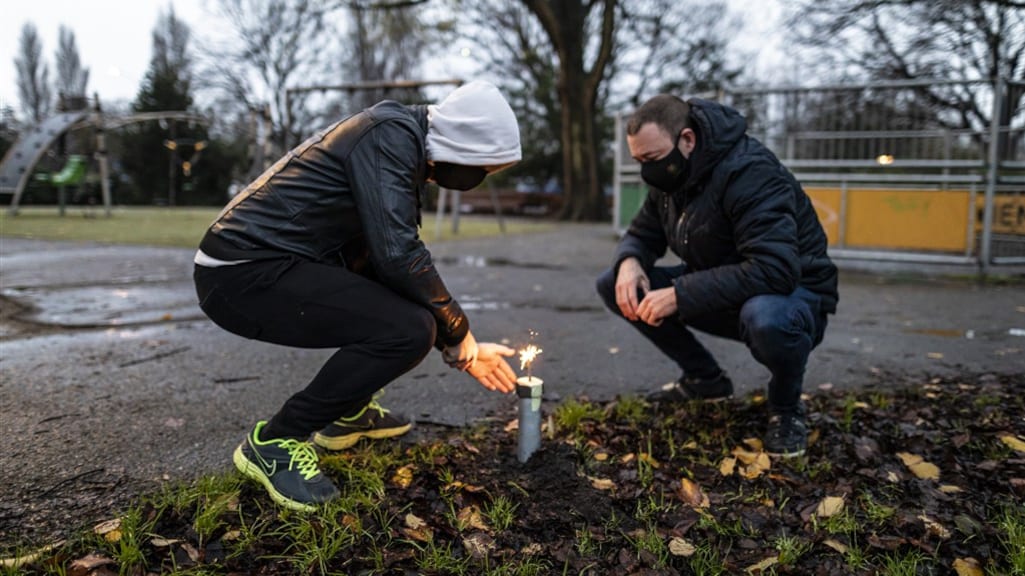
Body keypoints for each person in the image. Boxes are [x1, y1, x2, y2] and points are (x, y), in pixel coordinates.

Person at [193, 80, 521, 511]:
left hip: (272, 265)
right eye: (486, 167)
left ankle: (349, 411)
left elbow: (379, 262)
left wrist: (457, 343)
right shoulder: (389, 136)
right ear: (465, 143)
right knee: (407, 330)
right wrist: (457, 330)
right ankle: (275, 440)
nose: (482, 178)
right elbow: (397, 253)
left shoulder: (402, 144)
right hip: (242, 273)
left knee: (404, 321)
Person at [596, 94, 838, 457]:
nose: (647, 172)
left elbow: (776, 269)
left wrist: (679, 293)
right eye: (638, 161)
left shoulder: (751, 173)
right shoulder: (671, 179)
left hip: (794, 298)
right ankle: (705, 380)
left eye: (653, 159)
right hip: (725, 291)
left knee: (767, 319)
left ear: (687, 140)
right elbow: (643, 234)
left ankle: (786, 411)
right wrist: (629, 262)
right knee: (613, 283)